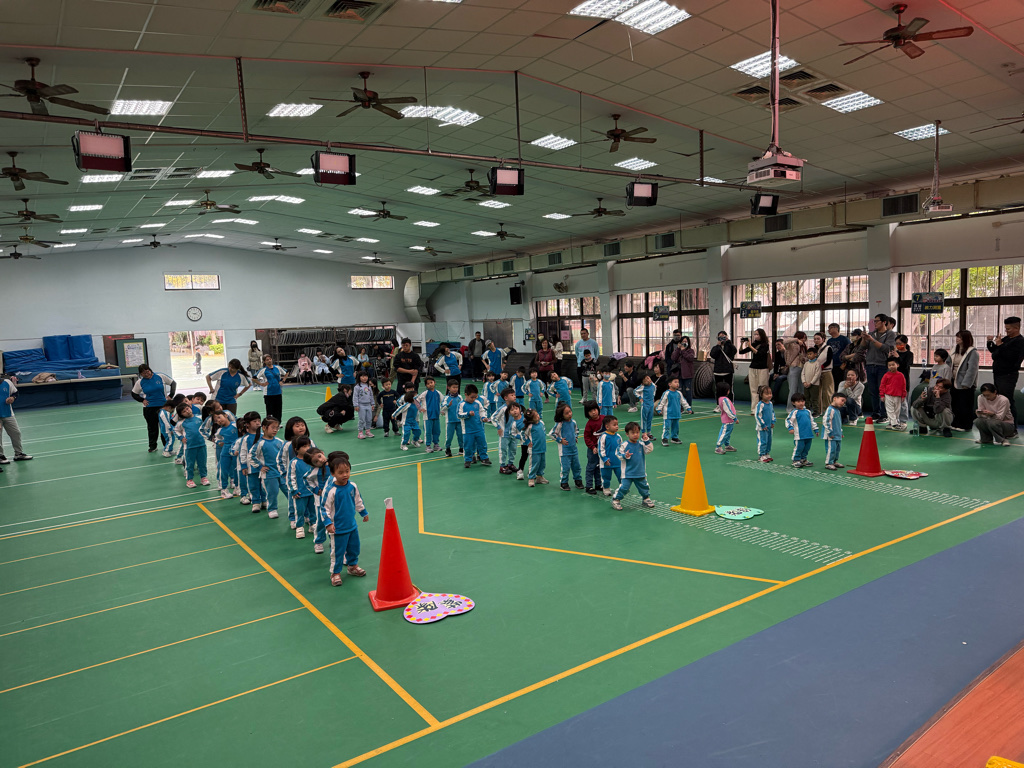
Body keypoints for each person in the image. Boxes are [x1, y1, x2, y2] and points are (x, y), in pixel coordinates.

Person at [319, 454, 368, 587]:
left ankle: (352, 566)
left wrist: (363, 512)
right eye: (340, 472)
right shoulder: (331, 490)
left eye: (347, 471)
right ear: (333, 473)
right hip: (338, 529)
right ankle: (335, 573)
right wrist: (328, 524)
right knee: (337, 552)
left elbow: (358, 500)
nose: (345, 475)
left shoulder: (352, 486)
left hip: (352, 526)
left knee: (354, 548)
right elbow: (324, 508)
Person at [987, 316, 1024, 432]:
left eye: (1008, 329)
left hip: (1008, 375)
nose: (1006, 331)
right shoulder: (1007, 339)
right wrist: (990, 342)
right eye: (1006, 328)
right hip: (998, 373)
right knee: (999, 400)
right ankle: (1001, 424)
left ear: (1016, 328)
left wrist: (1000, 346)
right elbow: (995, 353)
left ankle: (1012, 427)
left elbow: (1010, 357)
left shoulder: (1020, 341)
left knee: (1007, 400)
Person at [611, 422, 655, 511]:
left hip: (640, 472)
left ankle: (646, 498)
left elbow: (649, 450)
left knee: (644, 487)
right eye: (633, 433)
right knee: (624, 488)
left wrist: (647, 441)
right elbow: (618, 453)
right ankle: (616, 500)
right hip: (627, 473)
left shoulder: (641, 444)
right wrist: (624, 456)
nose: (635, 435)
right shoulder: (624, 445)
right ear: (627, 434)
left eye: (637, 432)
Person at [250, 416, 284, 518]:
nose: (275, 430)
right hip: (269, 474)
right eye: (273, 427)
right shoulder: (260, 443)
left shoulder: (279, 441)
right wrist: (259, 467)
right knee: (272, 493)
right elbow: (251, 456)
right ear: (264, 428)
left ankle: (294, 509)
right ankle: (272, 509)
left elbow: (284, 455)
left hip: (281, 473)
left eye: (277, 428)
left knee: (289, 491)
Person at [864, 315, 896, 422]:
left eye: (877, 321)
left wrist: (872, 340)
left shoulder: (890, 334)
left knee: (883, 390)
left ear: (884, 322)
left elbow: (886, 348)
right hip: (870, 364)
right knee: (872, 391)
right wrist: (864, 338)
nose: (875, 323)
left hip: (882, 365)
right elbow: (863, 347)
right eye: (874, 321)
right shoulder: (872, 333)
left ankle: (884, 414)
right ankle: (875, 413)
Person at [950, 330, 980, 432]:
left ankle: (965, 425)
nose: (957, 339)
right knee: (955, 403)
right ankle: (955, 423)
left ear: (965, 339)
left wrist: (966, 384)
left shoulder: (972, 352)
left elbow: (972, 370)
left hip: (965, 383)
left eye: (959, 337)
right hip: (953, 380)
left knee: (965, 405)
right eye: (957, 337)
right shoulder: (954, 350)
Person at [549, 402, 583, 490]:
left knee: (577, 466)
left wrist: (575, 437)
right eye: (566, 413)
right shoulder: (560, 424)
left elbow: (576, 430)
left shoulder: (573, 422)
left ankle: (578, 480)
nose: (570, 414)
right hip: (564, 451)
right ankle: (564, 482)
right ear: (562, 415)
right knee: (565, 468)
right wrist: (560, 440)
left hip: (574, 450)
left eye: (570, 411)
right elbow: (552, 434)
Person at [175, 402, 209, 488]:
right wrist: (181, 437)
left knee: (202, 462)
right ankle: (189, 480)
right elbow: (176, 430)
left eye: (187, 409)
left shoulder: (200, 418)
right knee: (189, 464)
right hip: (189, 447)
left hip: (201, 445)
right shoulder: (181, 423)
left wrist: (207, 434)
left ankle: (203, 477)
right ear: (181, 414)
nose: (187, 411)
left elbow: (206, 426)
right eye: (184, 411)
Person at [237, 411, 265, 511]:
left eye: (259, 420)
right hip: (251, 468)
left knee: (264, 485)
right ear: (247, 424)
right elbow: (243, 453)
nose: (258, 423)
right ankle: (256, 502)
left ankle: (264, 501)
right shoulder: (245, 438)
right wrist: (244, 466)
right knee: (253, 485)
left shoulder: (264, 436)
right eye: (254, 421)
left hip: (263, 466)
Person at [738, 329, 770, 415]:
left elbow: (759, 353)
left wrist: (750, 346)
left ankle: (764, 408)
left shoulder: (765, 345)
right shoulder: (754, 344)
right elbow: (741, 352)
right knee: (753, 389)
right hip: (753, 368)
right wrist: (741, 344)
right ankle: (754, 409)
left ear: (761, 335)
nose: (756, 336)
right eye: (755, 334)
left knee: (763, 389)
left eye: (757, 334)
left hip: (762, 369)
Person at [288, 438, 315, 539]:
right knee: (299, 511)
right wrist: (293, 490)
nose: (307, 448)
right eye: (304, 446)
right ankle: (299, 527)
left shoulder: (312, 461)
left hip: (312, 492)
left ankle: (313, 524)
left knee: (313, 510)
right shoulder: (294, 462)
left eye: (309, 446)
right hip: (300, 493)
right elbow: (291, 477)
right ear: (296, 449)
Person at [458, 384, 490, 467]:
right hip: (468, 430)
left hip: (479, 428)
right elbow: (459, 415)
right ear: (466, 395)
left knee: (482, 444)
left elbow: (482, 411)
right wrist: (468, 414)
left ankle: (484, 458)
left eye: (475, 397)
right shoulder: (461, 404)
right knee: (468, 446)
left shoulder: (477, 403)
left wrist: (483, 417)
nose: (473, 399)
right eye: (472, 397)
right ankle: (468, 459)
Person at [786, 393, 818, 468]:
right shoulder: (794, 412)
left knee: (806, 448)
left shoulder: (808, 412)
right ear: (793, 403)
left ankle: (803, 459)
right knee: (799, 448)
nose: (801, 403)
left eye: (802, 401)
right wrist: (790, 428)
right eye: (798, 401)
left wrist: (816, 429)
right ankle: (796, 460)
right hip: (799, 435)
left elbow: (812, 421)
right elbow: (788, 420)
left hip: (808, 435)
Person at [492, 390, 519, 473]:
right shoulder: (503, 409)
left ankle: (510, 464)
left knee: (513, 449)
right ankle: (502, 466)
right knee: (503, 450)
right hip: (504, 434)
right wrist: (499, 428)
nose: (514, 396)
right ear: (506, 398)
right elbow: (493, 418)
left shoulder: (517, 408)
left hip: (514, 434)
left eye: (514, 395)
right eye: (512, 395)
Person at [658, 377, 691, 446]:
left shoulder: (679, 393)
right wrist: (659, 409)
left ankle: (674, 438)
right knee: (667, 427)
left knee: (676, 427)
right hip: (668, 414)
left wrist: (688, 408)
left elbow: (683, 401)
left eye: (678, 382)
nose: (677, 384)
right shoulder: (666, 393)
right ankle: (665, 439)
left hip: (676, 414)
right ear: (670, 384)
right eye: (675, 382)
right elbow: (662, 402)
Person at [708, 331, 737, 409]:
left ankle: (730, 404)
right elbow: (712, 355)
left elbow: (734, 351)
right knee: (718, 389)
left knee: (729, 388)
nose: (722, 339)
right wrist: (718, 345)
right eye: (720, 337)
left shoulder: (729, 346)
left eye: (723, 337)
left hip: (728, 371)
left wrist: (728, 342)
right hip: (718, 371)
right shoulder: (716, 347)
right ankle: (719, 405)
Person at [214, 411, 239, 499]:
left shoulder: (235, 425)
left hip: (236, 451)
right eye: (216, 420)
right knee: (223, 470)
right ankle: (224, 490)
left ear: (225, 415)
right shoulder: (220, 430)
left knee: (236, 469)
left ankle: (237, 487)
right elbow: (216, 438)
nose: (218, 420)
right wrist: (218, 442)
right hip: (225, 452)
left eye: (219, 417)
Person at [890, 334, 914, 424]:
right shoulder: (895, 353)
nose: (898, 345)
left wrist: (898, 357)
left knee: (903, 402)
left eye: (900, 343)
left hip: (903, 380)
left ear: (905, 343)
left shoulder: (909, 354)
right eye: (896, 343)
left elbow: (905, 366)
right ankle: (893, 420)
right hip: (893, 380)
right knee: (892, 402)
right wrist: (889, 357)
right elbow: (890, 366)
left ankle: (903, 420)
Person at [255, 354, 287, 422]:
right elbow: (254, 378)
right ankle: (269, 423)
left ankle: (278, 423)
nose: (269, 361)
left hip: (278, 392)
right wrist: (261, 384)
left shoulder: (277, 367)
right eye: (267, 360)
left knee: (278, 410)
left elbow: (286, 372)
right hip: (268, 393)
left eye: (270, 359)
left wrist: (283, 381)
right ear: (264, 362)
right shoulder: (263, 370)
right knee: (270, 411)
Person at [879, 358, 908, 431]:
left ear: (897, 365)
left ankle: (893, 422)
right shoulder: (886, 375)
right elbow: (882, 385)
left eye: (893, 364)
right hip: (888, 395)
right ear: (887, 366)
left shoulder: (901, 375)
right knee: (890, 410)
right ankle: (894, 424)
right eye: (889, 365)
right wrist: (882, 395)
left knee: (897, 410)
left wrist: (903, 395)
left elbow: (904, 386)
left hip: (898, 396)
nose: (891, 366)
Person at [582, 401, 604, 495]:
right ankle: (589, 486)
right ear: (587, 413)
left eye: (595, 409)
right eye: (590, 411)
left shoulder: (604, 419)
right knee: (591, 467)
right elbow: (587, 437)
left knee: (599, 466)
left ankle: (598, 484)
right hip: (593, 449)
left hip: (602, 448)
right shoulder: (589, 424)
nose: (594, 412)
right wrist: (592, 447)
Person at [597, 415, 622, 497]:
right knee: (606, 477)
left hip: (617, 462)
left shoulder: (618, 436)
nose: (617, 426)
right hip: (606, 463)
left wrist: (623, 456)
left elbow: (621, 448)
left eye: (617, 424)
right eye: (614, 425)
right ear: (607, 427)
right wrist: (604, 459)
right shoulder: (604, 437)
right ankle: (606, 488)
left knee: (621, 476)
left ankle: (622, 488)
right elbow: (601, 449)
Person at [522, 408, 548, 486]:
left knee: (542, 463)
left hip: (542, 448)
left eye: (537, 414)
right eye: (535, 416)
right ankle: (531, 478)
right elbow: (523, 434)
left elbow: (544, 431)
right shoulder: (530, 427)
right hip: (534, 449)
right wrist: (527, 442)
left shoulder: (542, 423)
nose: (538, 416)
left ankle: (539, 477)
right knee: (534, 464)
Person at [416, 377, 442, 452]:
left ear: (434, 382)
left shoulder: (438, 393)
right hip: (427, 416)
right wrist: (420, 408)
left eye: (431, 382)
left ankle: (436, 445)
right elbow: (416, 400)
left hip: (436, 416)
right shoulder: (425, 393)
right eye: (428, 383)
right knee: (428, 432)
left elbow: (443, 401)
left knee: (437, 431)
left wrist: (443, 410)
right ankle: (428, 446)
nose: (430, 384)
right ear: (426, 385)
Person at [813, 332, 835, 416]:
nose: (816, 340)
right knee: (817, 392)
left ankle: (828, 411)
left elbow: (829, 360)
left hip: (826, 371)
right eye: (815, 339)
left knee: (827, 392)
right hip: (816, 373)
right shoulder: (814, 349)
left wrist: (821, 367)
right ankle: (818, 411)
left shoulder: (828, 348)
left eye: (818, 339)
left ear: (823, 339)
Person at [714, 380, 738, 454]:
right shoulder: (725, 400)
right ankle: (718, 447)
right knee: (724, 433)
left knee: (728, 433)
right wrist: (734, 418)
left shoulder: (721, 399)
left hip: (729, 421)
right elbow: (728, 410)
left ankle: (727, 445)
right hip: (728, 420)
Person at [441, 379, 464, 457]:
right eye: (453, 387)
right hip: (450, 421)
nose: (455, 389)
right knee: (449, 437)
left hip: (459, 420)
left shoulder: (460, 397)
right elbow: (442, 408)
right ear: (448, 388)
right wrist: (448, 405)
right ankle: (448, 449)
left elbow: (463, 406)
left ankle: (461, 448)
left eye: (456, 387)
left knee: (461, 435)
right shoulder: (446, 398)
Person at [352, 371, 377, 440]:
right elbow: (355, 396)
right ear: (359, 377)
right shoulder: (357, 387)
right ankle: (360, 432)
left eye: (366, 376)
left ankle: (367, 431)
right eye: (362, 376)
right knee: (362, 419)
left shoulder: (368, 386)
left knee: (369, 419)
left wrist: (372, 404)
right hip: (361, 405)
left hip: (368, 405)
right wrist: (356, 405)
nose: (364, 378)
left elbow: (371, 395)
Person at [754, 384, 775, 463]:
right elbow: (758, 415)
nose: (769, 395)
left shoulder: (770, 404)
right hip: (762, 428)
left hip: (769, 427)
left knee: (769, 440)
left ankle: (767, 453)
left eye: (770, 393)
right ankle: (761, 455)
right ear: (761, 395)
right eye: (767, 394)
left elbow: (772, 413)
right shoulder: (760, 405)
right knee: (763, 441)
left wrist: (773, 421)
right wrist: (762, 425)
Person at [674, 335, 697, 406]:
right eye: (683, 341)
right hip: (679, 374)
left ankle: (688, 406)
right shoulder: (678, 350)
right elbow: (673, 358)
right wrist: (678, 349)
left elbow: (690, 358)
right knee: (679, 392)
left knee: (688, 392)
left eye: (686, 341)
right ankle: (680, 407)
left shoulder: (691, 351)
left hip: (688, 375)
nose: (684, 343)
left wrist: (683, 350)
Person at [801, 346, 823, 417]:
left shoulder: (817, 363)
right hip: (806, 384)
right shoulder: (806, 364)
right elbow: (803, 373)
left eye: (810, 354)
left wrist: (811, 383)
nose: (809, 355)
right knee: (806, 398)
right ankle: (806, 411)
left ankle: (816, 412)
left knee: (814, 399)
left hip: (814, 385)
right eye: (808, 354)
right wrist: (804, 382)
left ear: (815, 354)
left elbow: (817, 374)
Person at [634, 374, 656, 439]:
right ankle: (643, 433)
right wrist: (640, 398)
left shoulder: (653, 385)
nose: (647, 380)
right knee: (644, 419)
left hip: (651, 404)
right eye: (645, 379)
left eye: (648, 378)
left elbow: (654, 391)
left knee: (650, 418)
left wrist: (653, 397)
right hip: (645, 404)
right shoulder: (642, 387)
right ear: (643, 382)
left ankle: (649, 433)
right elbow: (635, 391)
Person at [769, 339, 789, 404]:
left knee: (779, 379)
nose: (777, 346)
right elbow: (776, 365)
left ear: (783, 345)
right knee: (769, 377)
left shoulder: (788, 353)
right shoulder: (777, 354)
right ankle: (766, 395)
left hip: (788, 372)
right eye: (776, 345)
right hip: (780, 371)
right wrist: (775, 373)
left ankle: (774, 397)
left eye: (779, 344)